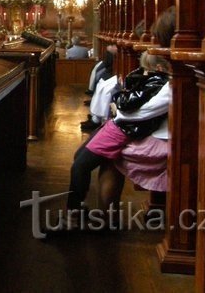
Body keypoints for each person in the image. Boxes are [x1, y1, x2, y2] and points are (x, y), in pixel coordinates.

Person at [62, 52, 172, 226]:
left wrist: (118, 106)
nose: (145, 73)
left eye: (147, 70)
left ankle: (73, 216)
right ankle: (79, 212)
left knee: (80, 165)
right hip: (118, 125)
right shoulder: (154, 79)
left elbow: (139, 110)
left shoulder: (161, 82)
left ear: (158, 68)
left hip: (122, 128)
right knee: (79, 158)